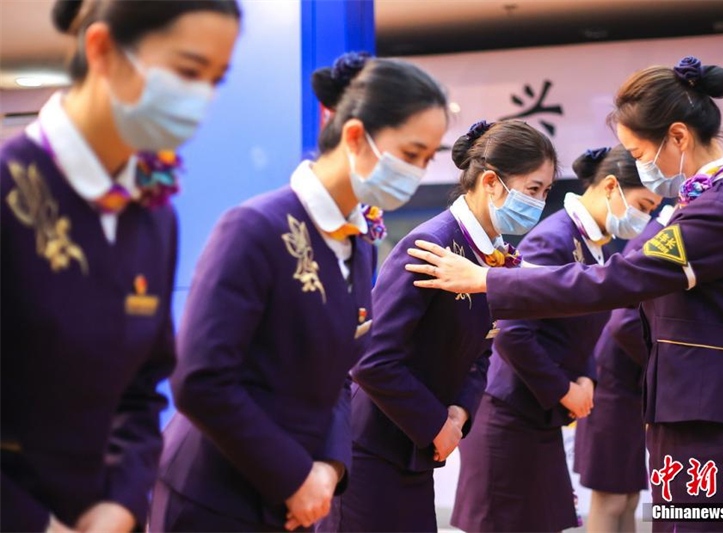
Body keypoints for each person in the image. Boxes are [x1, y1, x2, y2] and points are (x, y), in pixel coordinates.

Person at [407, 56, 723, 532]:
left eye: (641, 153)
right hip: (698, 406)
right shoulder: (715, 201)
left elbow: (618, 280)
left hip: (711, 413)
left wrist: (487, 279)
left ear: (679, 137)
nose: (644, 169)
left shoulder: (719, 210)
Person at [148, 51, 448, 532]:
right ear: (355, 135)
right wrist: (293, 476)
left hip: (303, 495)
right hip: (215, 495)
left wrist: (329, 466)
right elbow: (200, 380)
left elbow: (338, 374)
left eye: (427, 159)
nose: (417, 172)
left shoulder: (359, 244)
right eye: (411, 154)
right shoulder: (255, 227)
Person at [0, 1, 240, 531]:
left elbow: (140, 388)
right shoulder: (10, 188)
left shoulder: (153, 215)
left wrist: (121, 503)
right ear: (102, 50)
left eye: (215, 80)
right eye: (186, 71)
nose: (200, 98)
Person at [320, 119, 556, 533]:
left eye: (545, 193)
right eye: (532, 189)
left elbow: (482, 348)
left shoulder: (492, 255)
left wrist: (459, 412)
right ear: (491, 182)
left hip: (418, 444)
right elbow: (372, 358)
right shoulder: (431, 245)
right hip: (371, 445)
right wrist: (435, 424)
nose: (538, 203)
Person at [451, 144, 661, 533]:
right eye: (642, 205)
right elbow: (514, 333)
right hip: (508, 410)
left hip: (538, 412)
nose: (643, 219)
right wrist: (564, 388)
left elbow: (580, 328)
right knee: (501, 522)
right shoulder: (554, 239)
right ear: (612, 187)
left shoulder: (599, 245)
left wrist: (585, 377)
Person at [573, 203, 674, 533]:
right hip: (613, 390)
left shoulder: (661, 235)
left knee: (629, 497)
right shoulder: (655, 240)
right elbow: (624, 322)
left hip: (628, 390)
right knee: (611, 498)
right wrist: (661, 363)